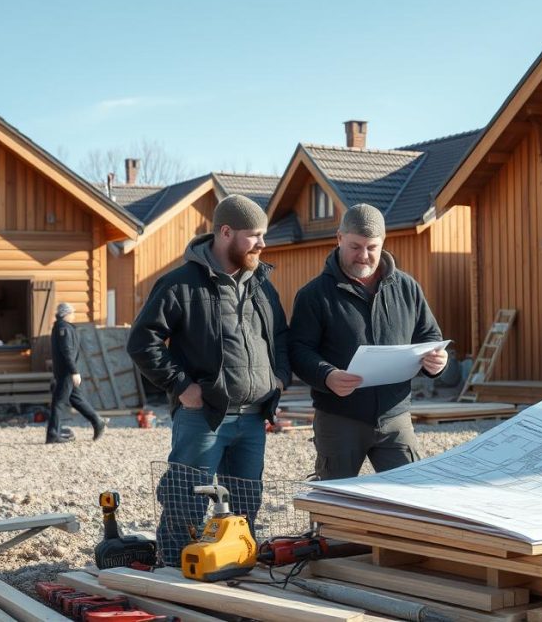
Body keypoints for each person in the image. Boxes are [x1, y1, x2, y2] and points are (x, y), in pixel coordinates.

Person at [127, 194, 290, 566]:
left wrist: (279, 378)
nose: (263, 244)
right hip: (204, 418)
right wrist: (181, 385)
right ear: (225, 232)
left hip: (253, 418)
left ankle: (233, 565)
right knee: (187, 499)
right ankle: (171, 567)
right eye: (255, 236)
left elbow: (280, 336)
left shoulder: (262, 284)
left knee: (246, 504)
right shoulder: (180, 284)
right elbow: (142, 341)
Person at [289, 203, 449, 480]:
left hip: (395, 417)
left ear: (383, 242)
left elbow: (430, 336)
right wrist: (327, 376)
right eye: (355, 246)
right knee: (336, 503)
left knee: (412, 495)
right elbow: (298, 350)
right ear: (339, 239)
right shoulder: (314, 295)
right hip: (339, 419)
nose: (363, 256)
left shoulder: (407, 287)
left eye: (372, 247)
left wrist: (437, 362)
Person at [46, 302, 106, 444]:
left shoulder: (62, 327)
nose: (73, 316)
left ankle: (54, 433)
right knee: (67, 401)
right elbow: (67, 351)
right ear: (66, 314)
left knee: (62, 402)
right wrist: (74, 371)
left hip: (65, 372)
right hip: (66, 372)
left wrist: (73, 371)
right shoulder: (63, 328)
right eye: (72, 313)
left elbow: (68, 352)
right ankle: (97, 421)